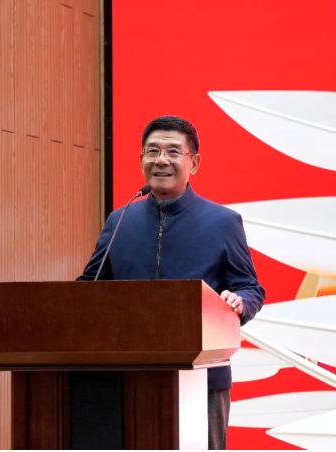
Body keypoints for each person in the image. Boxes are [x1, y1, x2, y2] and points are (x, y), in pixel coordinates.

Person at [77, 115, 265, 450]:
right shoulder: (120, 220)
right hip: (127, 378)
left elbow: (250, 288)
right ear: (141, 159)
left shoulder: (223, 222)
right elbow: (88, 289)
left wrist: (239, 303)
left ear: (194, 162)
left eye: (174, 152)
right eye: (153, 151)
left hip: (203, 378)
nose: (161, 160)